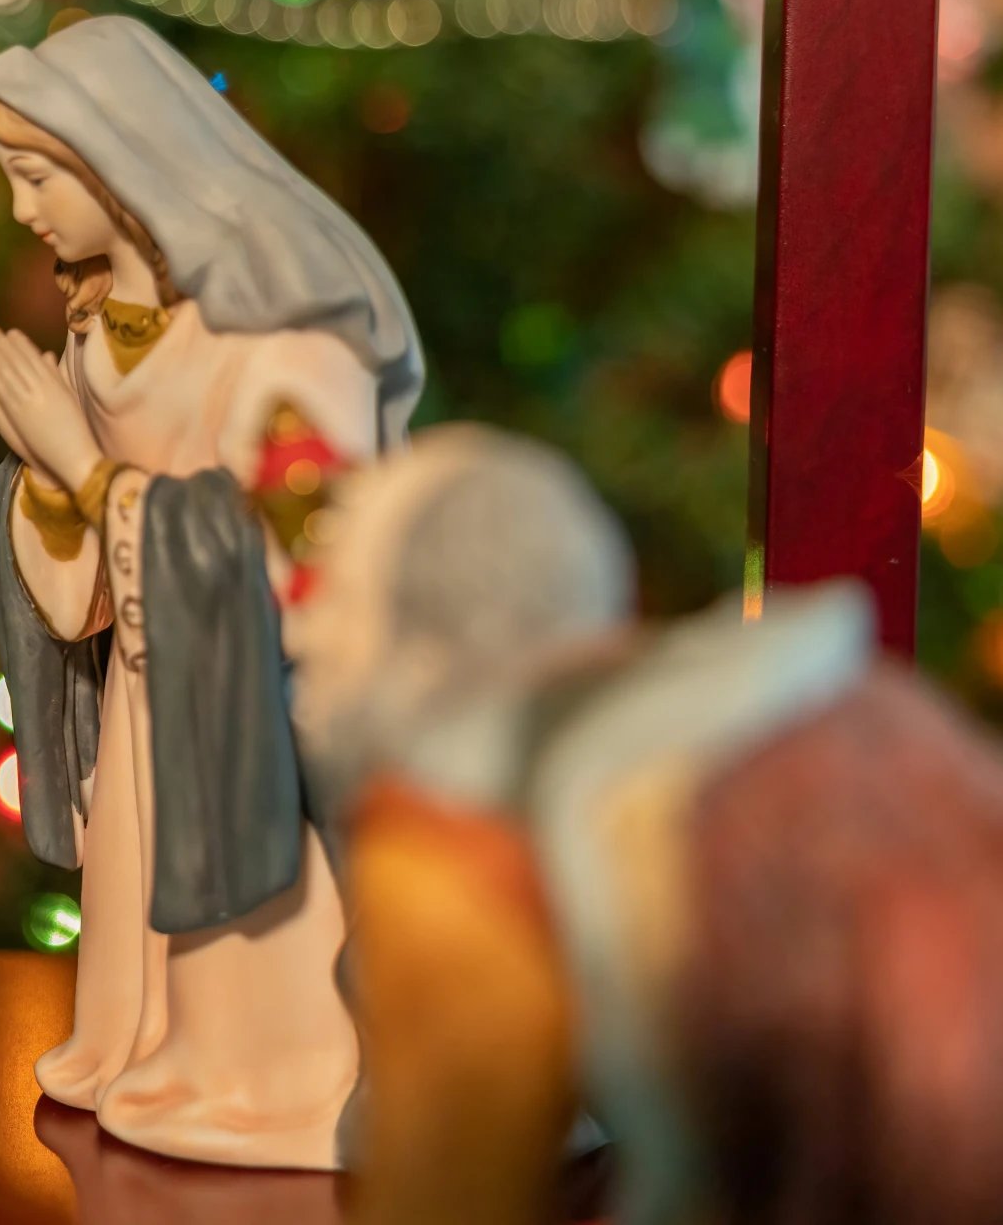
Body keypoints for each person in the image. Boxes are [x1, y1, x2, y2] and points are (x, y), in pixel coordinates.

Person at [295, 425, 1003, 1225]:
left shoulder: (451, 830)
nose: (306, 635)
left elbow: (445, 1181)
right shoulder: (839, 709)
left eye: (334, 605)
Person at [0, 14, 422, 1166]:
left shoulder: (281, 338)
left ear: (118, 164)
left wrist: (78, 465)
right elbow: (87, 584)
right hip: (150, 682)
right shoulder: (99, 330)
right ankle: (146, 1035)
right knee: (138, 882)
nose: (22, 209)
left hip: (248, 709)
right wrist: (42, 484)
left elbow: (304, 549)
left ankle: (263, 1073)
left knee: (242, 927)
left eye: (34, 175)